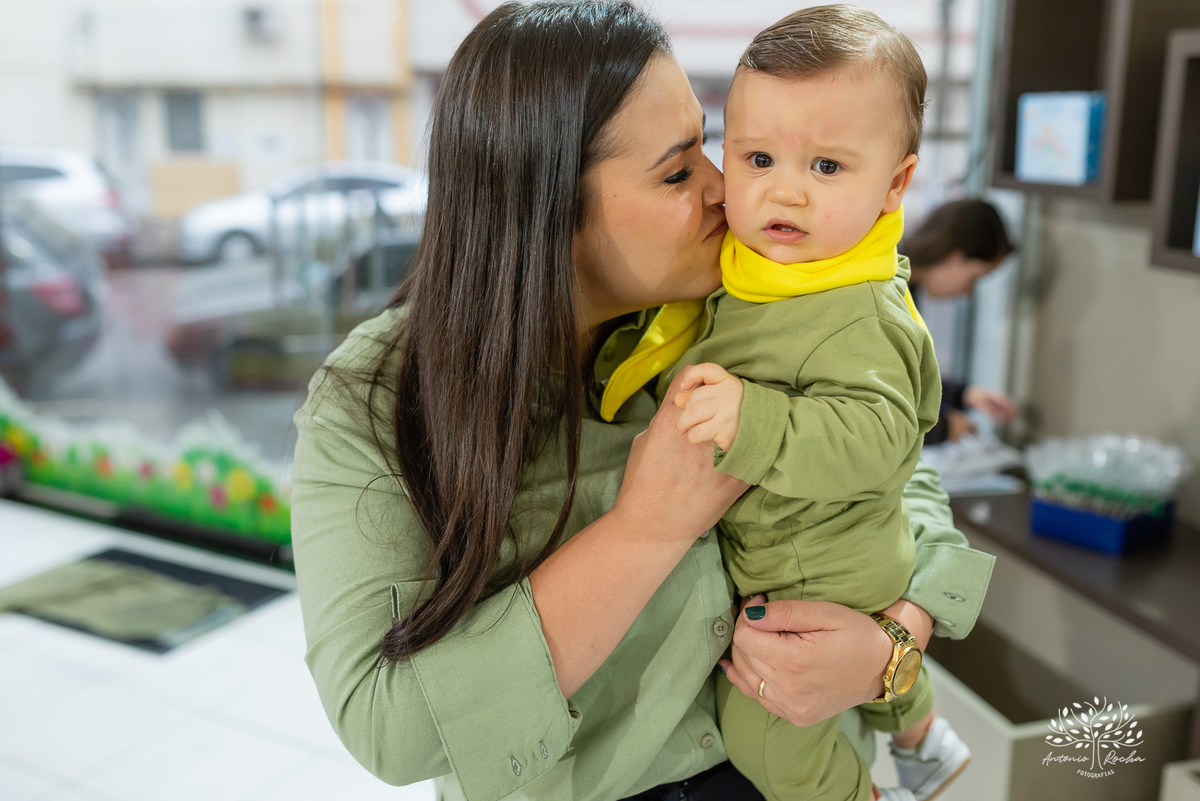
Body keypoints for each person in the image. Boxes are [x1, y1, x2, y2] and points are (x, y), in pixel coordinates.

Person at [288, 4, 995, 801]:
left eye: (709, 145)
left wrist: (893, 642)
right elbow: (388, 726)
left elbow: (895, 463)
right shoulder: (379, 399)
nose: (731, 191)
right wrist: (645, 529)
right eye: (678, 170)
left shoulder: (739, 293)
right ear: (548, 209)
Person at [596, 7, 959, 800]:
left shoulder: (858, 308)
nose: (784, 189)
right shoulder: (763, 266)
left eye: (827, 167)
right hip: (796, 557)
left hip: (818, 571)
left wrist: (753, 421)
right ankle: (924, 734)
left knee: (765, 735)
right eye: (758, 157)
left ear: (897, 182)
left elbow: (882, 443)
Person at [902, 198, 1018, 445]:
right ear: (955, 255)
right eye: (974, 278)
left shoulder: (906, 286)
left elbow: (904, 372)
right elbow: (875, 398)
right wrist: (941, 429)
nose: (968, 292)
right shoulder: (887, 291)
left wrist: (964, 395)